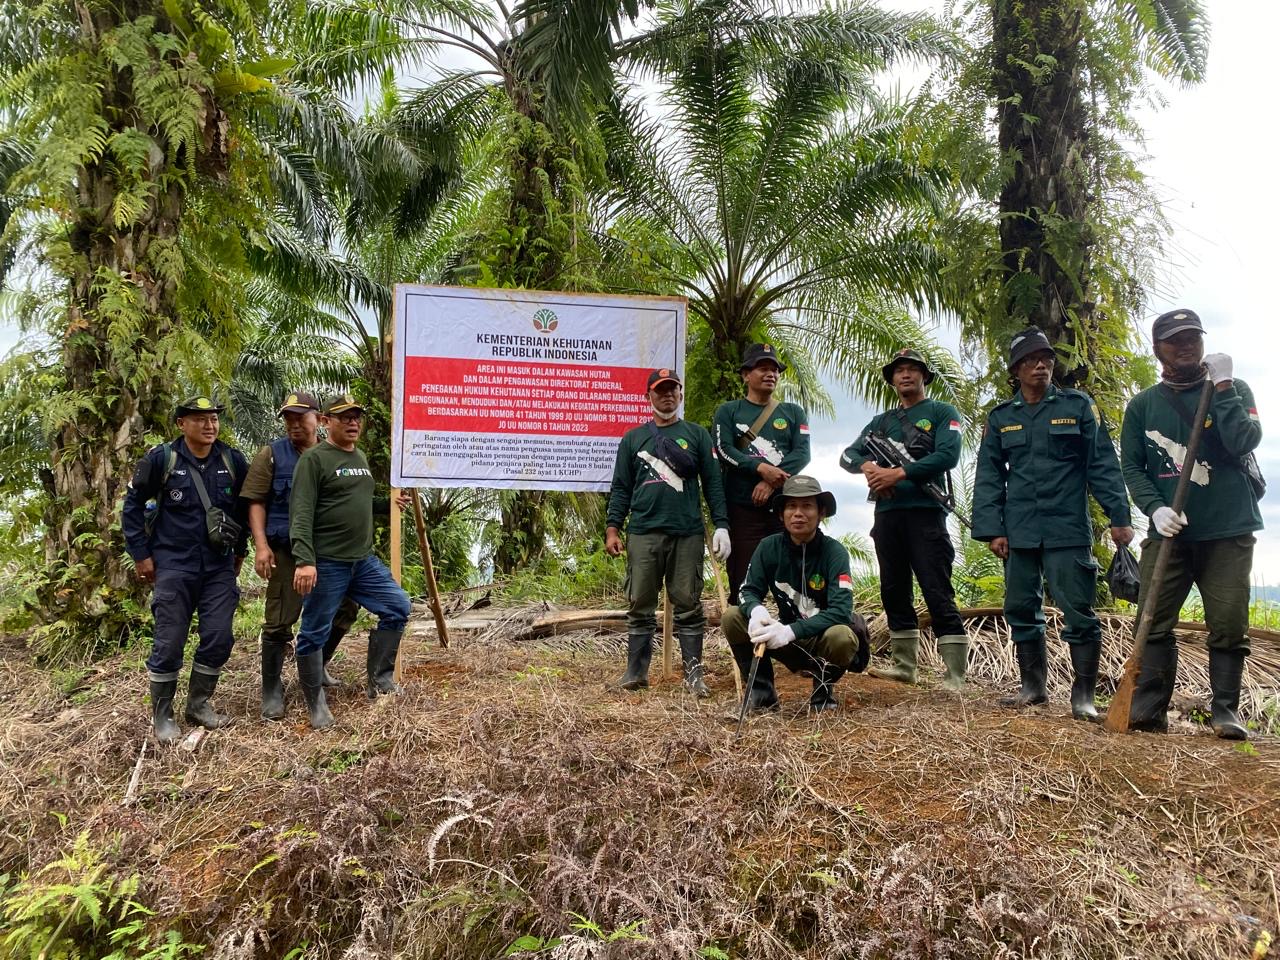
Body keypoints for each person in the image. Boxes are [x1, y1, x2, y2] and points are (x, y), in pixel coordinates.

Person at [972, 328, 1133, 721]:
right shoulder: (1001, 417)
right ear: (1016, 369)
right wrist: (993, 529)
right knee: (1021, 607)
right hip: (1020, 530)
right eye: (1030, 359)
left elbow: (1102, 465)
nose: (1040, 365)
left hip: (1067, 528)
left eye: (1046, 358)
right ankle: (1033, 687)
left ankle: (1083, 696)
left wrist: (1119, 515)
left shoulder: (1078, 407)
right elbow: (989, 476)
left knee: (1078, 609)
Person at [1120, 309, 1262, 740]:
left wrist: (1221, 387)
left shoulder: (1233, 388)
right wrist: (1154, 509)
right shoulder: (1143, 405)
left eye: (1192, 338)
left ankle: (1225, 711)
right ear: (1157, 348)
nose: (1185, 346)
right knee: (1153, 618)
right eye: (1174, 340)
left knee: (1229, 622)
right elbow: (1132, 467)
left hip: (1228, 528)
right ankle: (1148, 709)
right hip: (1169, 534)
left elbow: (1245, 440)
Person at [122, 396, 249, 742]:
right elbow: (132, 506)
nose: (209, 425)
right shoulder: (162, 459)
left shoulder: (232, 460)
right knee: (169, 640)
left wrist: (240, 551)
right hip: (173, 565)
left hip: (218, 567)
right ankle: (162, 716)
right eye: (200, 419)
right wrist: (141, 554)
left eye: (213, 419)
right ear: (181, 424)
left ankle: (198, 703)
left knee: (220, 635)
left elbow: (244, 511)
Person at [840, 349, 968, 689]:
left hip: (926, 514)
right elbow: (847, 455)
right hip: (887, 515)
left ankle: (955, 675)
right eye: (899, 371)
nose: (905, 375)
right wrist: (868, 467)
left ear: (924, 376)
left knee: (936, 588)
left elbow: (948, 455)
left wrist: (897, 474)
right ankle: (904, 666)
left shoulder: (942, 412)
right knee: (894, 589)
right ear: (892, 379)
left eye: (913, 370)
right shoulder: (881, 422)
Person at [605, 368, 732, 695]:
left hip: (687, 534)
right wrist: (613, 528)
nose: (667, 395)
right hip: (643, 532)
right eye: (660, 390)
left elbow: (713, 483)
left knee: (689, 604)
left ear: (680, 394)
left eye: (673, 389)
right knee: (640, 603)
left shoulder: (697, 435)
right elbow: (621, 487)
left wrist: (722, 524)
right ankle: (636, 673)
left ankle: (693, 676)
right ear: (649, 396)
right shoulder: (633, 438)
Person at [290, 394, 412, 729]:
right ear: (327, 422)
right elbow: (300, 513)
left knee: (398, 606)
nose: (353, 422)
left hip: (362, 562)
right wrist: (304, 560)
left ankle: (380, 681)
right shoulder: (314, 461)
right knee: (314, 631)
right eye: (345, 417)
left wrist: (386, 504)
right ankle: (315, 703)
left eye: (357, 416)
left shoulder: (358, 455)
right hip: (327, 562)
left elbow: (354, 498)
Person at [239, 391, 360, 721]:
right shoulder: (273, 456)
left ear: (318, 420)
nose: (294, 423)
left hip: (330, 550)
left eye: (300, 416)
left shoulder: (335, 454)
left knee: (347, 607)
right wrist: (261, 546)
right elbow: (255, 502)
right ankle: (271, 688)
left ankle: (318, 667)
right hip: (289, 550)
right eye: (288, 418)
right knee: (280, 618)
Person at [722, 476, 870, 713]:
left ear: (821, 512)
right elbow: (748, 590)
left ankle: (822, 696)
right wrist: (756, 610)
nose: (798, 513)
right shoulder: (768, 547)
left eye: (807, 506)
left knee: (841, 636)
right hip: (785, 642)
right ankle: (762, 699)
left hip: (820, 639)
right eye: (791, 506)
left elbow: (841, 611)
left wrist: (790, 631)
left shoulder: (835, 552)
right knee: (732, 617)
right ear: (781, 514)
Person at [712, 343, 810, 604]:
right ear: (746, 374)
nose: (771, 374)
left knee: (792, 581)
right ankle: (742, 639)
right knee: (743, 582)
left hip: (782, 510)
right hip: (742, 510)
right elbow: (723, 449)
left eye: (775, 370)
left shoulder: (793, 412)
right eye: (763, 368)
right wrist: (759, 468)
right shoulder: (728, 411)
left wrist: (771, 482)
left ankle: (795, 637)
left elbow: (802, 454)